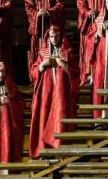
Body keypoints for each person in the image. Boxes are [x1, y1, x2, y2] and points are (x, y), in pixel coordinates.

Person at [29, 24, 80, 157]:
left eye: (56, 36)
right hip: (47, 91)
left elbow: (76, 72)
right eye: (51, 36)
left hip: (61, 92)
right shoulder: (42, 52)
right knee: (44, 115)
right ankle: (45, 149)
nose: (54, 38)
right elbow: (33, 72)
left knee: (60, 116)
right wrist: (41, 66)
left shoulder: (67, 52)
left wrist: (64, 65)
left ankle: (60, 148)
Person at [24, 0, 65, 69]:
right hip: (38, 27)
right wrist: (37, 13)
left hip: (50, 25)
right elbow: (29, 7)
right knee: (38, 46)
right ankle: (37, 73)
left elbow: (60, 5)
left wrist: (49, 12)